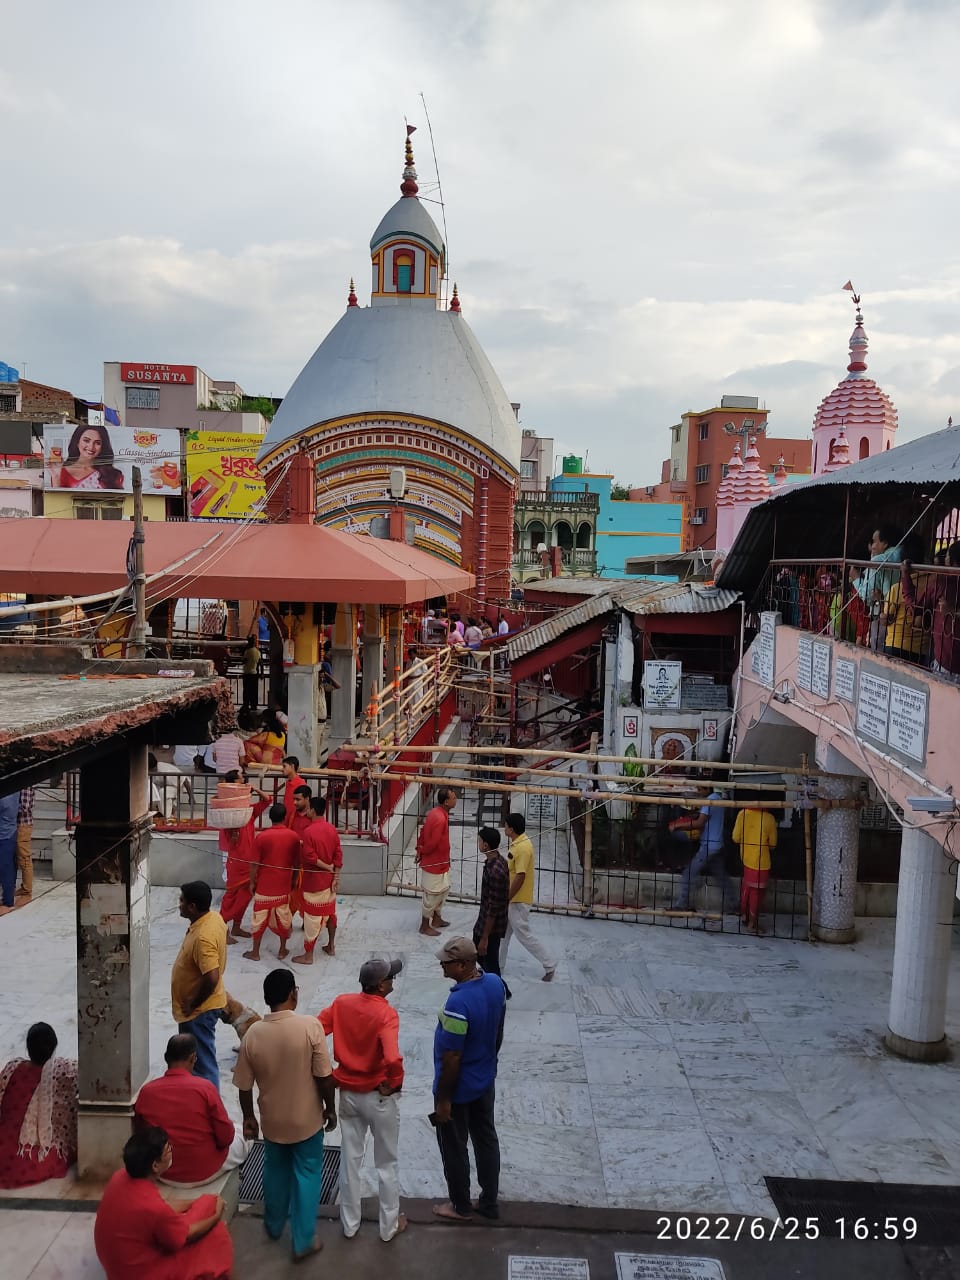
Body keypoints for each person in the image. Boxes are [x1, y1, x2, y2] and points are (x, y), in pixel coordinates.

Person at [234, 968, 336, 1262]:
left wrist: (249, 1116)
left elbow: (244, 1086)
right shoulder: (309, 1027)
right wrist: (330, 1108)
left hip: (273, 1122)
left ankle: (274, 1224)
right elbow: (324, 1076)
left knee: (275, 1171)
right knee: (308, 1173)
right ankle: (303, 1240)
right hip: (307, 1122)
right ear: (294, 993)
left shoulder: (253, 1034)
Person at [317, 958, 406, 1242]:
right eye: (390, 978)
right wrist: (395, 1082)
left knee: (350, 1160)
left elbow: (316, 1030)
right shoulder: (386, 1014)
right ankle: (388, 1227)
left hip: (348, 1095)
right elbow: (392, 1058)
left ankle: (349, 1225)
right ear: (380, 986)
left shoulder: (342, 1003)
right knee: (386, 1164)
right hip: (378, 1097)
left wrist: (327, 1071)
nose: (392, 981)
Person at [94, 1127, 232, 1280]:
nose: (172, 1151)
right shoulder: (152, 1207)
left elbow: (162, 1207)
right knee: (216, 1234)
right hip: (138, 1273)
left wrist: (198, 1202)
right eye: (168, 1150)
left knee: (207, 1204)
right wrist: (216, 1216)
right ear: (155, 1165)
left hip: (115, 1263)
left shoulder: (119, 1177)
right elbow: (185, 1236)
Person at [432, 937, 505, 1223]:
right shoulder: (496, 984)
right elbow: (498, 1028)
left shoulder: (458, 1002)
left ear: (463, 965)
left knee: (454, 1147)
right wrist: (489, 1060)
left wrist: (444, 1101)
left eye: (447, 962)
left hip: (459, 1089)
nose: (442, 965)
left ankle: (460, 1206)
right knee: (486, 1139)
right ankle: (489, 1202)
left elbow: (452, 1057)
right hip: (484, 1080)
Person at [134, 1034, 251, 1187]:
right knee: (244, 1135)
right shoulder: (205, 1088)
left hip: (164, 1172)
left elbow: (140, 1132)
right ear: (193, 1058)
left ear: (166, 1057)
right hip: (205, 1170)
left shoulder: (147, 1091)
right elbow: (226, 1137)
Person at [0, 1022, 77, 1188]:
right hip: (30, 1161)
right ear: (54, 1046)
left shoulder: (12, 1068)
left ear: (28, 1048)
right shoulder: (63, 1071)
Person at [172, 881, 228, 1089]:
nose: (179, 904)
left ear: (192, 907)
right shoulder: (213, 918)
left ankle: (210, 1104)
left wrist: (193, 1003)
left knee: (202, 1066)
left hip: (199, 1012)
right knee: (195, 1062)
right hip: (199, 1009)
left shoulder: (204, 937)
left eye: (182, 901)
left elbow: (212, 977)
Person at [501, 813, 556, 981]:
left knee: (523, 935)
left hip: (518, 900)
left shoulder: (523, 847)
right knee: (503, 934)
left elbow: (520, 875)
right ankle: (496, 967)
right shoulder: (518, 844)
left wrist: (508, 897)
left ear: (511, 829)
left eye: (506, 826)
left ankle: (549, 964)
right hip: (513, 898)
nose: (504, 828)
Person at [218, 770, 270, 944]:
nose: (244, 782)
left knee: (246, 895)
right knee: (231, 897)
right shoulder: (228, 814)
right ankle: (222, 929)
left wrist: (254, 788)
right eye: (241, 780)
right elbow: (229, 841)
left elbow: (267, 800)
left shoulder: (249, 812)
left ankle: (236, 926)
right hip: (236, 863)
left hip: (250, 863)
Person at [244, 804, 300, 962]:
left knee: (259, 918)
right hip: (283, 885)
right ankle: (282, 950)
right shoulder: (293, 836)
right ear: (284, 817)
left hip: (264, 886)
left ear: (270, 818)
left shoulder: (262, 837)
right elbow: (297, 864)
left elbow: (254, 864)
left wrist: (252, 882)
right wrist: (294, 880)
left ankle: (255, 952)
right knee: (284, 917)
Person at [292, 795, 342, 964]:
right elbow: (338, 855)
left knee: (312, 919)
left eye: (308, 809)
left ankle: (308, 956)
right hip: (330, 881)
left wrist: (327, 868)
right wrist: (335, 875)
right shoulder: (332, 829)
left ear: (312, 810)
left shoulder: (308, 831)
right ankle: (331, 946)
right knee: (330, 913)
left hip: (314, 881)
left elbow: (309, 857)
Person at [670, 789, 738, 912]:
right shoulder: (718, 798)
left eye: (700, 788)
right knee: (722, 877)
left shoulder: (710, 801)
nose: (698, 791)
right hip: (717, 844)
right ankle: (735, 905)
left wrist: (677, 825)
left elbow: (700, 823)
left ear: (707, 788)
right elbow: (705, 818)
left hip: (708, 846)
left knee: (688, 874)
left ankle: (681, 905)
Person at [901, 544, 960, 678]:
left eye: (947, 556)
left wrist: (905, 576)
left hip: (947, 661)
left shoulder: (941, 582)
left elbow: (914, 607)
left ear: (951, 561)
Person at [472, 827, 512, 998]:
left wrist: (485, 937)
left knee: (489, 961)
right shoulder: (495, 861)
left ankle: (501, 991)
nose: (478, 843)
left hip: (491, 926)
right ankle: (497, 988)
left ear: (486, 845)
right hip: (484, 921)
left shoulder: (496, 871)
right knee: (480, 957)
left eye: (479, 841)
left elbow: (494, 907)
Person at [733, 801, 779, 934]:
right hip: (761, 862)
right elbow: (773, 844)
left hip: (746, 858)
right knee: (757, 893)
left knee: (746, 888)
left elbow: (735, 838)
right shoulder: (769, 818)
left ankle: (744, 915)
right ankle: (752, 924)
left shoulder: (742, 813)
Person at [416, 788, 456, 937]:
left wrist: (420, 849)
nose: (456, 800)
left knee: (444, 890)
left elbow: (423, 832)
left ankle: (437, 918)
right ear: (446, 802)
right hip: (434, 863)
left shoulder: (436, 813)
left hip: (441, 862)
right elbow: (432, 843)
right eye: (453, 798)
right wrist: (422, 851)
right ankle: (424, 925)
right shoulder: (439, 817)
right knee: (432, 895)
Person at [55, 423, 124, 490]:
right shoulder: (60, 471)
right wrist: (56, 475)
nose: (91, 447)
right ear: (77, 442)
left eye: (97, 443)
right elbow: (56, 496)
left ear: (102, 447)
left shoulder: (112, 475)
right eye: (86, 441)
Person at [15, 786, 34, 903]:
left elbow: (24, 807)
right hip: (17, 825)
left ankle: (27, 891)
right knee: (18, 857)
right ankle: (24, 888)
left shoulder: (25, 786)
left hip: (23, 825)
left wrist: (7, 808)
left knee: (24, 858)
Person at [0, 790, 18, 914]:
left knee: (5, 868)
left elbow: (5, 807)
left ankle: (8, 902)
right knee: (7, 867)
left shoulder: (8, 792)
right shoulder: (14, 787)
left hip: (5, 834)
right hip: (9, 832)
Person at [281, 755, 306, 823]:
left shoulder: (301, 783)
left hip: (295, 820)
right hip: (287, 818)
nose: (282, 769)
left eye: (284, 766)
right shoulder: (288, 782)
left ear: (292, 766)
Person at [241, 635, 261, 713]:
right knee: (254, 691)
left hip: (247, 674)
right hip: (254, 674)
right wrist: (261, 673)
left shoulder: (247, 651)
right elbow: (260, 663)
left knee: (246, 691)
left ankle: (246, 705)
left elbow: (244, 661)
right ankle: (254, 705)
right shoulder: (258, 652)